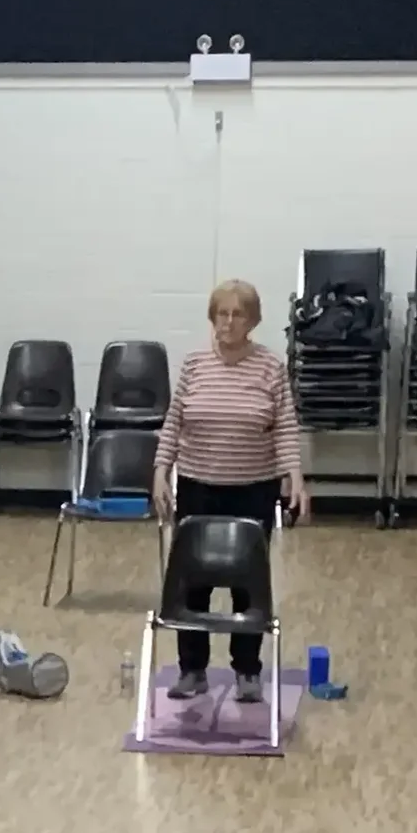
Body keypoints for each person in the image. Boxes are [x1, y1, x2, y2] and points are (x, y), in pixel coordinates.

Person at [155, 278, 309, 704]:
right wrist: (159, 472)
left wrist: (295, 477)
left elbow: (286, 429)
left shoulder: (270, 367)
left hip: (252, 488)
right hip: (198, 485)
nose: (228, 321)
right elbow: (173, 423)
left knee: (247, 584)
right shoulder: (193, 365)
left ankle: (247, 671)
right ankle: (192, 670)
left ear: (253, 321)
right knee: (193, 582)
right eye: (221, 313)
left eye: (237, 314)